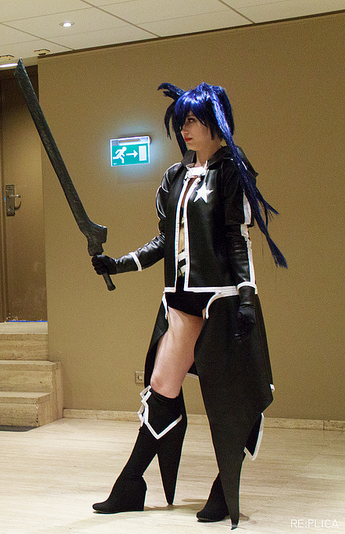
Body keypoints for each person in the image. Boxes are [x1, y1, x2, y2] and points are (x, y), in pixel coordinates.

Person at [90, 83, 286, 529]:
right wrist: (119, 264)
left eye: (193, 120)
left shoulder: (232, 171)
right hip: (180, 302)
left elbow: (237, 240)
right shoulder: (175, 177)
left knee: (232, 397)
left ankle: (224, 487)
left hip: (222, 302)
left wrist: (247, 297)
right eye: (182, 121)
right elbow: (166, 241)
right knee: (161, 387)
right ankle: (131, 484)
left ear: (216, 122)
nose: (185, 128)